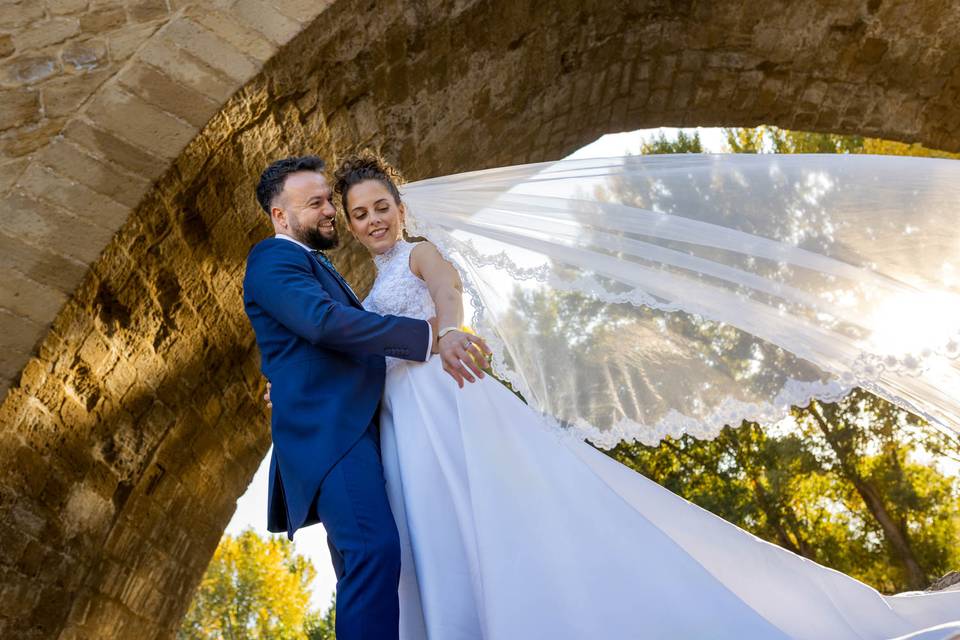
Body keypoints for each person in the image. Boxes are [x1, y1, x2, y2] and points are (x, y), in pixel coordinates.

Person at [286, 152, 959, 640]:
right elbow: (355, 346)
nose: (373, 220)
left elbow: (449, 301)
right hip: (403, 426)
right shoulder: (364, 295)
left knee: (489, 515)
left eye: (381, 208)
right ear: (346, 223)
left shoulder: (421, 254)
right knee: (431, 531)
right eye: (359, 213)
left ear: (401, 210)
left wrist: (456, 332)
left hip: (446, 400)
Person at [242, 155, 489, 640]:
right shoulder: (273, 257)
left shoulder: (329, 267)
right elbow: (323, 323)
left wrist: (288, 377)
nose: (329, 210)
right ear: (280, 216)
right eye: (315, 203)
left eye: (329, 201)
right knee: (373, 553)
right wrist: (428, 335)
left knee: (380, 559)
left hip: (370, 427)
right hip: (332, 435)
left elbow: (324, 340)